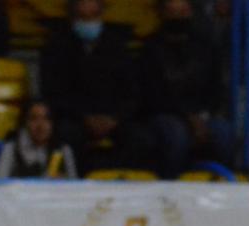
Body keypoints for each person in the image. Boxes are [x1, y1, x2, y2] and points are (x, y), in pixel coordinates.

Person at [40, 0, 149, 174]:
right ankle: (80, 184)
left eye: (93, 17)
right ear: (72, 18)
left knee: (140, 137)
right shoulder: (56, 47)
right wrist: (85, 117)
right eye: (83, 17)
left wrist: (113, 118)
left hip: (113, 117)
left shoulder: (116, 46)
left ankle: (122, 182)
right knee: (67, 134)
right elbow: (52, 94)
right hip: (75, 117)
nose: (88, 23)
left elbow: (132, 92)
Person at [139, 0, 235, 178]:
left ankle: (221, 184)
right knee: (176, 136)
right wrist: (188, 117)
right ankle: (170, 186)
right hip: (165, 113)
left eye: (183, 12)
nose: (178, 18)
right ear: (162, 14)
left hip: (201, 113)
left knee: (224, 133)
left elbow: (215, 88)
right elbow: (151, 95)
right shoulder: (150, 49)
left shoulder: (205, 47)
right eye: (173, 12)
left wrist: (202, 115)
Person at [0, 99, 77, 178]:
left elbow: (75, 187)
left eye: (46, 119)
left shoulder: (64, 150)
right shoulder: (12, 148)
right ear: (25, 122)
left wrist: (63, 183)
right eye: (34, 118)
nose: (40, 125)